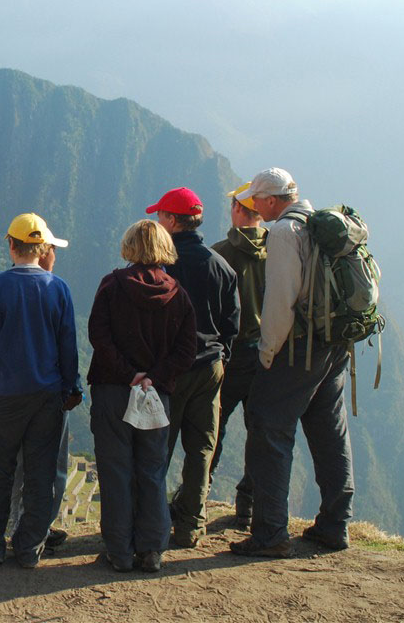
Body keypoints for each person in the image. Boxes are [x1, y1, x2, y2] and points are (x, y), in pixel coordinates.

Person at [230, 168, 355, 558]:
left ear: (271, 200)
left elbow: (280, 304)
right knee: (328, 430)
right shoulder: (318, 224)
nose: (254, 206)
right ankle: (335, 526)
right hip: (334, 344)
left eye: (257, 200)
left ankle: (269, 534)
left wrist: (267, 355)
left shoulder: (283, 234)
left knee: (269, 429)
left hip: (298, 348)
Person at [0, 212, 82, 569]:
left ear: (12, 246)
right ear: (42, 247)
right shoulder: (58, 288)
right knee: (41, 473)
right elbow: (68, 347)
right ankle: (30, 547)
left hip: (6, 396)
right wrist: (71, 387)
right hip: (48, 397)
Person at [87, 219, 197, 573]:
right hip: (154, 395)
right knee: (152, 470)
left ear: (130, 246)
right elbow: (186, 350)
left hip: (114, 392)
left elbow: (98, 337)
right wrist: (154, 378)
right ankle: (152, 549)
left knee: (115, 469)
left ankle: (119, 551)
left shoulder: (112, 286)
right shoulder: (178, 295)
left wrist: (128, 374)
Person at [150, 186, 239, 548]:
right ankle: (191, 525)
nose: (158, 221)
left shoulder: (160, 267)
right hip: (209, 368)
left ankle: (152, 525)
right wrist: (219, 357)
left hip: (170, 370)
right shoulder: (221, 266)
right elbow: (232, 323)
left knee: (158, 448)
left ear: (172, 221)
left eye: (161, 216)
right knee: (201, 449)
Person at [209, 182, 267, 529]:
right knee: (260, 431)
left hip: (230, 356)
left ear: (237, 210)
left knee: (212, 428)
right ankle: (249, 505)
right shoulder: (281, 251)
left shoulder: (220, 254)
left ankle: (197, 495)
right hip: (268, 356)